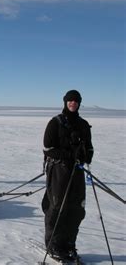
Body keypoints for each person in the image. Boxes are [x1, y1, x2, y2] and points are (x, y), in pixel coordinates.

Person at [42, 90, 94, 263]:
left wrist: (86, 155)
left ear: (79, 103)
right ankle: (54, 245)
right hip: (59, 171)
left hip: (77, 171)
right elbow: (48, 148)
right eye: (70, 100)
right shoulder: (55, 122)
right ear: (65, 102)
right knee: (57, 207)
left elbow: (90, 148)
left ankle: (69, 244)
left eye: (76, 101)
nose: (73, 103)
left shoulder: (83, 124)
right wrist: (68, 155)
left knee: (76, 209)